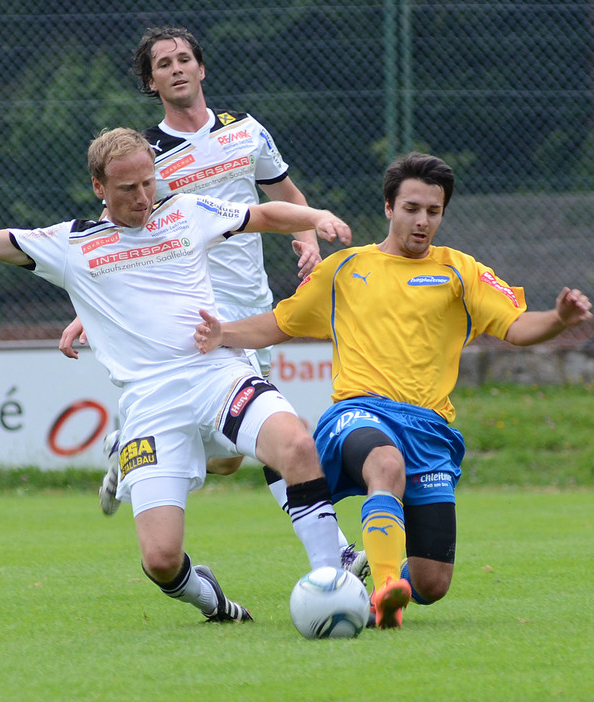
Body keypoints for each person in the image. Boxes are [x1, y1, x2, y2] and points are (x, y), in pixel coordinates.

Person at [0, 127, 353, 624]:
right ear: (99, 187)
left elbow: (263, 215)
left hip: (217, 373)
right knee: (161, 561)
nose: (143, 197)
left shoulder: (186, 211)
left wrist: (315, 216)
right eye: (128, 189)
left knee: (296, 446)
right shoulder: (71, 244)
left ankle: (329, 581)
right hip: (151, 404)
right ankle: (214, 602)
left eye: (148, 182)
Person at [194, 152, 594, 629]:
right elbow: (281, 323)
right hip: (359, 413)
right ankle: (385, 593)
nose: (422, 221)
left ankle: (385, 583)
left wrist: (559, 319)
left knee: (432, 582)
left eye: (433, 211)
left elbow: (518, 327)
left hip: (428, 428)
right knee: (385, 463)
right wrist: (222, 334)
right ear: (388, 207)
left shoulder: (461, 271)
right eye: (411, 208)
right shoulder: (346, 269)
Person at [58, 27, 367, 577]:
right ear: (150, 83)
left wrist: (307, 236)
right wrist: (88, 312)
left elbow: (285, 196)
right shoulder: (144, 156)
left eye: (184, 58)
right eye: (163, 64)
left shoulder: (246, 130)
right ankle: (336, 552)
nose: (176, 68)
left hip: (251, 302)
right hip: (193, 314)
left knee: (227, 459)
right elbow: (115, 244)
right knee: (277, 436)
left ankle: (132, 445)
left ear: (201, 69)